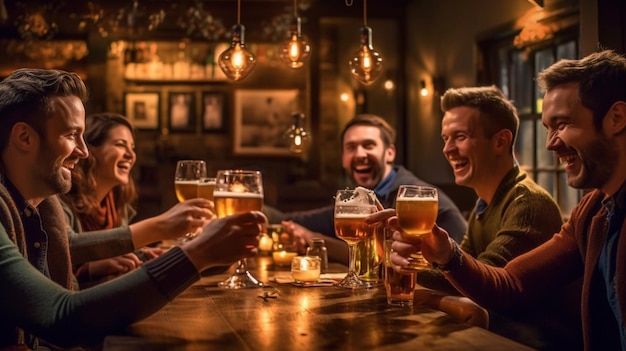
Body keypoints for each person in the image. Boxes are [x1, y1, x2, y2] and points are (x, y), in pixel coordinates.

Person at [0, 68, 266, 350]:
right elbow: (62, 316)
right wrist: (197, 254)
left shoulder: (43, 205)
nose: (84, 151)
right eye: (71, 135)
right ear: (25, 138)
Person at [382, 50, 626, 351]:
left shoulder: (530, 202)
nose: (550, 144)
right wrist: (446, 255)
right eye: (548, 128)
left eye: (562, 124)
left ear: (616, 118)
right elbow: (511, 283)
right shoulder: (592, 212)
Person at [417, 85, 578, 350]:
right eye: (445, 138)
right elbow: (466, 270)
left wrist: (393, 263)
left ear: (501, 142)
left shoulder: (527, 203)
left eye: (459, 136)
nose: (447, 149)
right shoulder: (485, 202)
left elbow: (479, 285)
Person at [266, 114, 467, 263]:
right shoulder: (359, 199)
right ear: (343, 158)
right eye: (351, 147)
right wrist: (254, 207)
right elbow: (295, 220)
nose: (360, 154)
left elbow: (385, 260)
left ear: (389, 153)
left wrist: (314, 240)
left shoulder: (412, 199)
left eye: (368, 145)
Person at [59, 112, 204, 288]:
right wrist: (89, 270)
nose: (131, 155)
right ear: (90, 151)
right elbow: (62, 252)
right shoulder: (62, 198)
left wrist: (140, 254)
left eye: (132, 147)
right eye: (120, 145)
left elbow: (113, 250)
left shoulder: (118, 201)